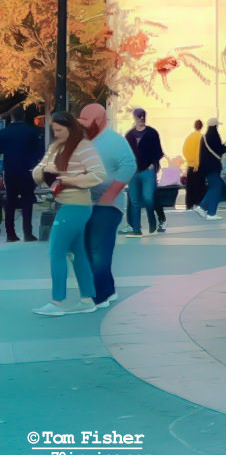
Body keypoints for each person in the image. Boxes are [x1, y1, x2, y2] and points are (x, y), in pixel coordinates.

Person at [32, 112, 107, 316]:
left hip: (76, 205)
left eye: (59, 130)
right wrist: (45, 169)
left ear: (71, 128)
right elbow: (37, 172)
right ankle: (87, 299)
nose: (56, 134)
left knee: (56, 251)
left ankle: (57, 302)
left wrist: (68, 179)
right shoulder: (55, 147)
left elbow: (99, 174)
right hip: (65, 204)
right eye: (54, 130)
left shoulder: (84, 147)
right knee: (77, 253)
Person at [77, 104, 136, 309]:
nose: (82, 124)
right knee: (87, 248)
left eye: (86, 120)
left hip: (107, 205)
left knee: (98, 249)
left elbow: (129, 165)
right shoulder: (84, 140)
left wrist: (110, 194)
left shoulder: (113, 140)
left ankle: (98, 296)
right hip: (85, 202)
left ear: (99, 120)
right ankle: (107, 291)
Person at [1, 105, 44, 241]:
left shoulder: (3, 133)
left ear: (12, 117)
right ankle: (27, 232)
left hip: (10, 170)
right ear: (23, 116)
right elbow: (40, 151)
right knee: (27, 201)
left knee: (10, 201)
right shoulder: (31, 132)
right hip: (27, 170)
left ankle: (10, 233)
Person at [124, 108, 165, 236]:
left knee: (148, 197)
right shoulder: (129, 135)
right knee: (134, 200)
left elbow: (158, 150)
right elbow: (126, 153)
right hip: (133, 171)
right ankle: (137, 228)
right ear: (134, 118)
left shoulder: (152, 133)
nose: (142, 119)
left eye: (143, 116)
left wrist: (153, 164)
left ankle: (152, 221)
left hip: (147, 170)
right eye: (139, 117)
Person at [195, 118, 226, 221]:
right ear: (215, 126)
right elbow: (219, 149)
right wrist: (225, 146)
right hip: (213, 167)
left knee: (214, 186)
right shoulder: (214, 136)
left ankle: (203, 207)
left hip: (205, 168)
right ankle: (210, 212)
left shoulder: (204, 137)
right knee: (217, 186)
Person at [181, 119, 204, 211]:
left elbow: (184, 150)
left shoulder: (189, 137)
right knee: (200, 185)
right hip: (199, 165)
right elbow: (202, 151)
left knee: (190, 186)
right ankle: (199, 203)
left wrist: (189, 160)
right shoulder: (202, 137)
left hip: (190, 165)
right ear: (202, 127)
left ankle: (189, 204)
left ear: (194, 126)